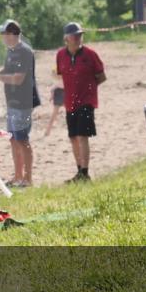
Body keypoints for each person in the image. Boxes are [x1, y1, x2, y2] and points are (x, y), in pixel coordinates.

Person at [0, 19, 37, 187]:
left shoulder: (25, 52)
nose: (1, 37)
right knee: (14, 140)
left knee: (22, 140)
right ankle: (18, 176)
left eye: (3, 33)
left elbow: (18, 79)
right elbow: (9, 72)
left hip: (23, 102)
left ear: (12, 34)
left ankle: (28, 178)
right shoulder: (11, 51)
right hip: (12, 102)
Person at [56, 22, 106, 181]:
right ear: (66, 38)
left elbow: (101, 76)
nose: (77, 38)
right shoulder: (60, 55)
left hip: (86, 100)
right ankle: (79, 171)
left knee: (82, 135)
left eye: (79, 35)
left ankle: (85, 172)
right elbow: (60, 75)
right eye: (73, 35)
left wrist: (89, 88)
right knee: (73, 136)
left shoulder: (90, 54)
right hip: (70, 101)